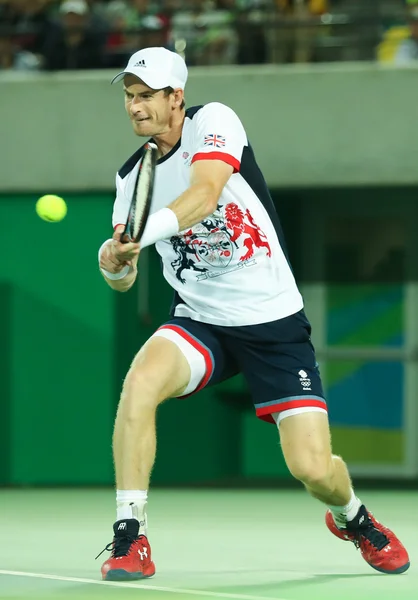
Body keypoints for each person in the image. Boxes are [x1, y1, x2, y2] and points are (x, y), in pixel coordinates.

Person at [96, 46, 410, 581]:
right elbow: (125, 280)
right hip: (200, 319)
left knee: (313, 469)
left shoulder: (214, 122)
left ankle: (352, 516)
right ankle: (130, 536)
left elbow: (206, 191)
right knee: (140, 383)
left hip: (273, 323)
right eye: (129, 97)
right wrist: (114, 262)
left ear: (177, 97)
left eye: (146, 95)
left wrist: (143, 235)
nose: (135, 107)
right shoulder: (130, 182)